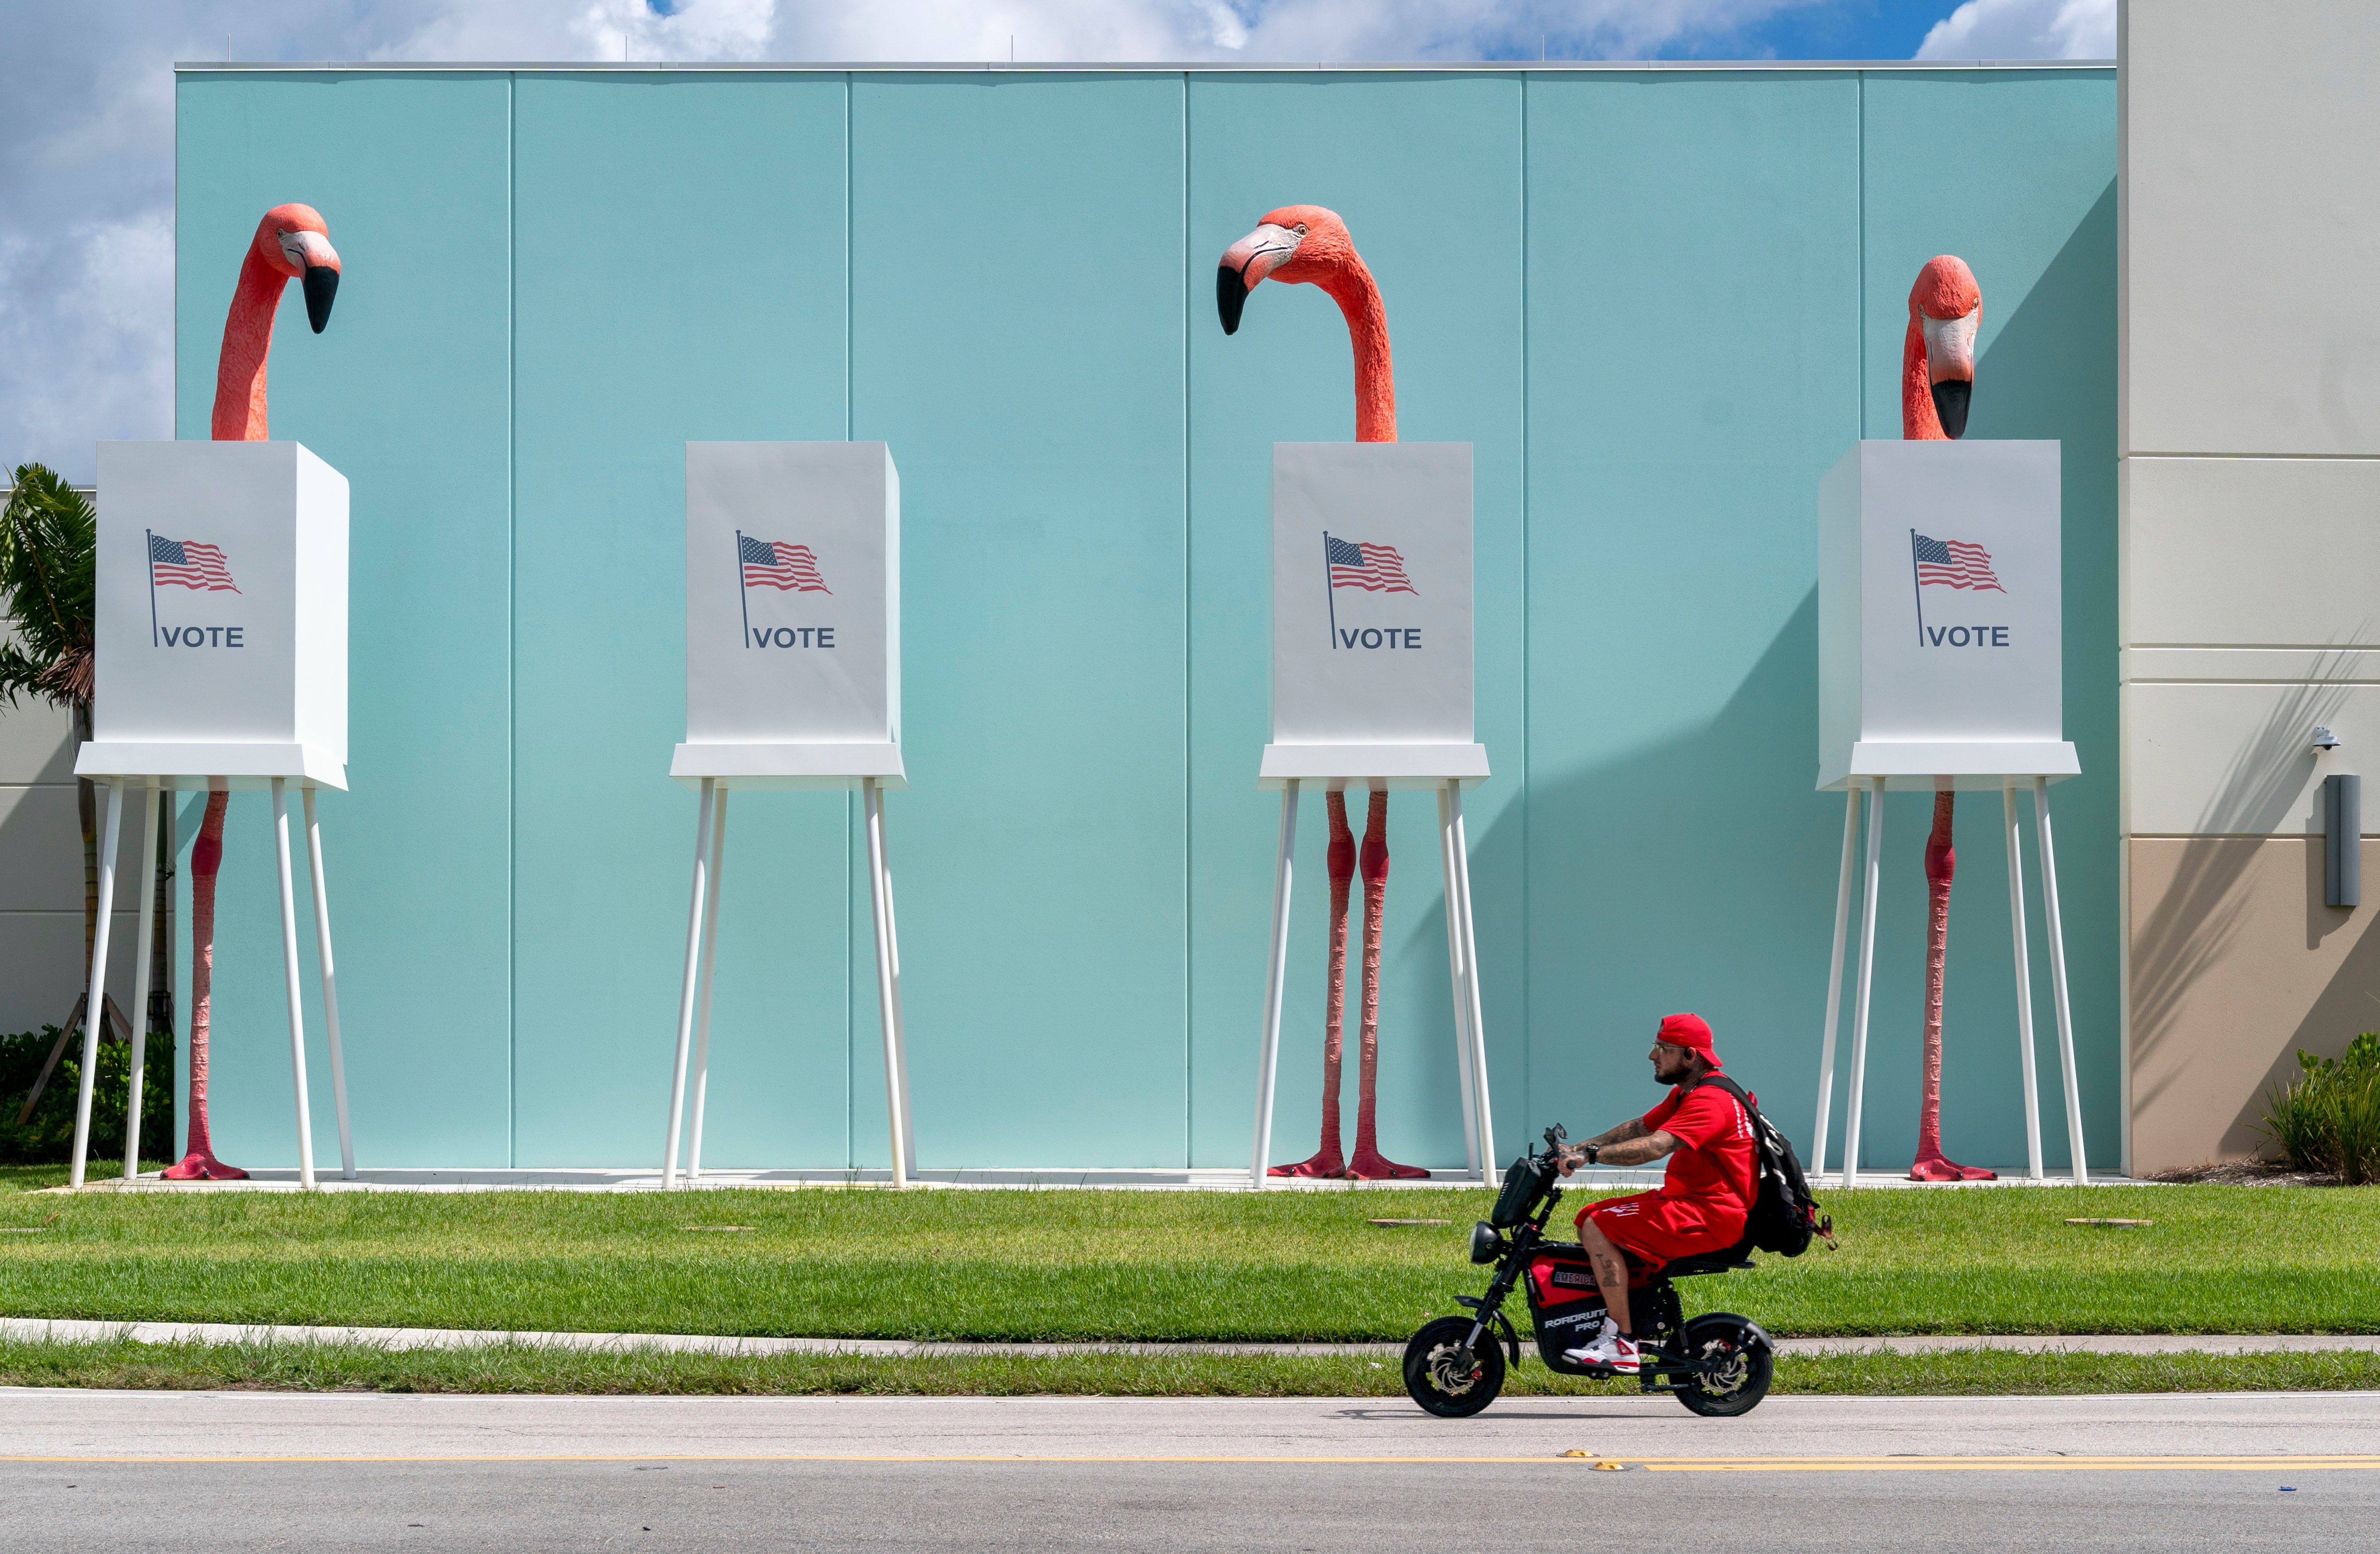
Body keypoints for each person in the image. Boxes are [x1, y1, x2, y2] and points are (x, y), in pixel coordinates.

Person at [1552, 1013, 1756, 1374]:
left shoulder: (1711, 1101)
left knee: (1598, 1225)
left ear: (1691, 1055)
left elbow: (1655, 1146)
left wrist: (1591, 1157)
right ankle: (1629, 1315)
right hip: (1686, 1202)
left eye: (1662, 1049)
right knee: (1588, 1216)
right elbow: (1640, 1127)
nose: (1652, 1056)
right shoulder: (1688, 1093)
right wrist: (1578, 1147)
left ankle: (1622, 1343)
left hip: (1708, 1215)